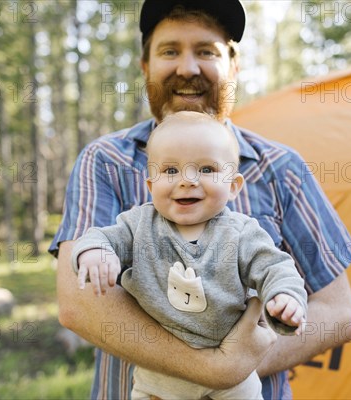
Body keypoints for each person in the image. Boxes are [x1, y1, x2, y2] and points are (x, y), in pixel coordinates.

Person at [51, 0, 351, 398]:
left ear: (234, 67)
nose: (188, 67)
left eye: (206, 51)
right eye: (169, 51)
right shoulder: (105, 161)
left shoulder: (282, 168)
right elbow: (80, 303)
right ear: (145, 67)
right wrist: (213, 369)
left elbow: (338, 314)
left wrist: (238, 369)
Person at [71, 111, 308, 399]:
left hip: (234, 380)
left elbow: (274, 267)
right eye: (170, 171)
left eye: (207, 169)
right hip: (161, 373)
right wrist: (97, 251)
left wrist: (284, 296)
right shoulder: (138, 225)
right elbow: (99, 236)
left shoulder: (242, 233)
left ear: (233, 186)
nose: (187, 180)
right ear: (151, 186)